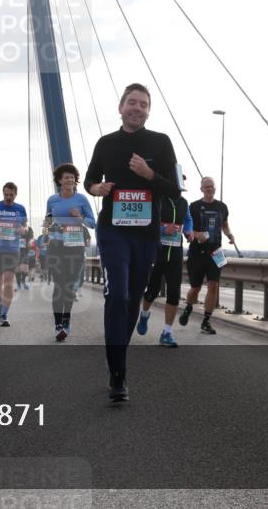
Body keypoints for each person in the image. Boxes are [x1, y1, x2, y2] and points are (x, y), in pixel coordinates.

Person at [84, 83, 179, 403]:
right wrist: (98, 190)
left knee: (134, 297)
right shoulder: (106, 143)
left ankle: (117, 355)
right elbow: (89, 180)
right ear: (121, 107)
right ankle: (118, 375)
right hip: (113, 230)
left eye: (143, 104)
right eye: (132, 103)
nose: (137, 108)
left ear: (148, 111)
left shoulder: (160, 143)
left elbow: (175, 190)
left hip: (145, 234)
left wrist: (149, 174)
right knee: (118, 294)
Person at [136, 182, 193, 347]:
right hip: (157, 251)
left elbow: (188, 219)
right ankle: (144, 314)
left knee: (174, 293)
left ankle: (167, 332)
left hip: (175, 253)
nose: (177, 186)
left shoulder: (183, 202)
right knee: (151, 291)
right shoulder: (157, 199)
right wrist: (162, 230)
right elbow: (146, 221)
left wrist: (188, 231)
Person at [44, 163, 96, 341]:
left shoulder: (82, 199)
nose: (69, 180)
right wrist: (48, 228)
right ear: (59, 180)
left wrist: (79, 217)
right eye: (66, 177)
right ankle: (58, 324)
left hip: (75, 247)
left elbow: (92, 223)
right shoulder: (52, 200)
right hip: (56, 247)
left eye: (72, 177)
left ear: (75, 180)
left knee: (68, 287)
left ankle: (66, 320)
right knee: (59, 285)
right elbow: (47, 220)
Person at [177, 176, 233, 335]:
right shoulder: (193, 207)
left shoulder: (222, 207)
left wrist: (229, 235)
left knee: (213, 286)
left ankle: (206, 321)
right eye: (206, 187)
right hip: (197, 253)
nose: (209, 189)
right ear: (201, 189)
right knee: (195, 288)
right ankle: (188, 307)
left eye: (212, 186)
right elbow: (185, 229)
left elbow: (225, 224)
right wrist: (197, 234)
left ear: (215, 188)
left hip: (215, 253)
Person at [0, 183, 28, 326]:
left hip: (12, 250)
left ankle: (4, 314)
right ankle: (0, 301)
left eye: (11, 195)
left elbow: (26, 226)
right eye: (6, 194)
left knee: (8, 282)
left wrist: (23, 230)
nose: (8, 197)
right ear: (3, 193)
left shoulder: (20, 209)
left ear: (16, 194)